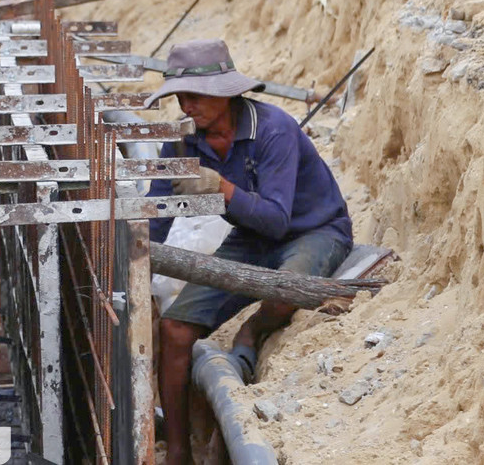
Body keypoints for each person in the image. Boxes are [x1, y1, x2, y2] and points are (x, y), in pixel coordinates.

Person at [145, 39, 352, 465]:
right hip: (249, 240)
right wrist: (129, 271)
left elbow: (277, 219)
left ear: (225, 93)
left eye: (194, 96)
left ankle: (254, 331)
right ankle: (180, 450)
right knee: (174, 331)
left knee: (289, 287)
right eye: (179, 97)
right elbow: (155, 218)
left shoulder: (273, 129)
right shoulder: (181, 145)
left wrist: (221, 187)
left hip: (313, 231)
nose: (185, 107)